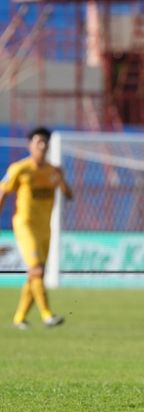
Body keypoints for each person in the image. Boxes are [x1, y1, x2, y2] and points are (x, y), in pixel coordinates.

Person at [0, 126, 73, 329]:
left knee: (35, 275)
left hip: (44, 229)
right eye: (38, 142)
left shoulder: (52, 171)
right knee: (37, 270)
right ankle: (47, 315)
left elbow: (69, 195)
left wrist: (62, 178)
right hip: (25, 225)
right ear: (30, 145)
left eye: (45, 142)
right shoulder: (19, 169)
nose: (42, 145)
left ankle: (19, 317)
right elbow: (3, 191)